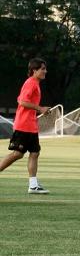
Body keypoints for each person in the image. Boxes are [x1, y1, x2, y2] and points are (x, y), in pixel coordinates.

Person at [0, 58, 50, 194]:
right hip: (23, 125)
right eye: (43, 69)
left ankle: (33, 185)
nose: (45, 71)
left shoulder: (35, 83)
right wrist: (40, 108)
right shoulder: (31, 83)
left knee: (35, 152)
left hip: (31, 126)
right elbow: (22, 101)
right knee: (17, 154)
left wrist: (40, 110)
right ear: (35, 70)